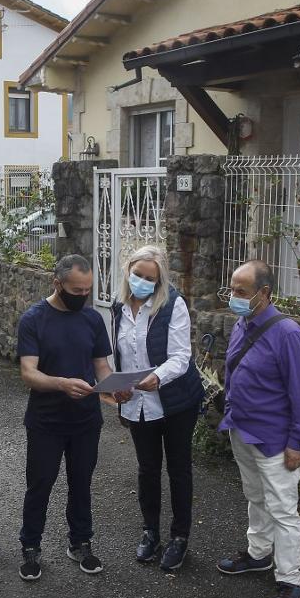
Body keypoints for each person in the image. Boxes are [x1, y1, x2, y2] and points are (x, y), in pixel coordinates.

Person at [216, 260, 300, 598]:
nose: (234, 297)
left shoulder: (287, 334)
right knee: (255, 496)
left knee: (282, 509)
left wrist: (298, 442)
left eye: (242, 292)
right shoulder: (242, 324)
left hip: (276, 438)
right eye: (231, 290)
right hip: (242, 429)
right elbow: (234, 373)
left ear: (265, 293)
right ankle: (258, 554)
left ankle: (290, 580)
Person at [16, 254, 112, 580]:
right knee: (40, 484)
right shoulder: (34, 319)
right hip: (46, 420)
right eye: (76, 289)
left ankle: (81, 542)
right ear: (57, 283)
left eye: (88, 290)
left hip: (86, 420)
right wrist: (60, 384)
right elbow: (28, 373)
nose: (83, 295)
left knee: (81, 483)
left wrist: (114, 388)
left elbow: (101, 366)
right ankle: (30, 547)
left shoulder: (93, 320)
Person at [110, 245, 204, 572]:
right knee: (147, 468)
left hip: (175, 400)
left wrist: (157, 377)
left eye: (150, 278)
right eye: (137, 275)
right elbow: (120, 355)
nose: (142, 282)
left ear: (160, 279)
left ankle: (180, 537)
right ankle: (150, 532)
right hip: (138, 403)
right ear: (128, 271)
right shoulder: (118, 306)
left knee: (178, 469)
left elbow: (181, 357)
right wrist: (118, 386)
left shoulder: (172, 304)